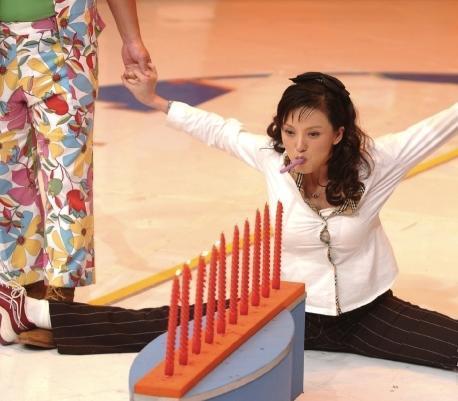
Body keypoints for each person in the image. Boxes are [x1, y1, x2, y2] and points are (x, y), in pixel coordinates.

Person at [1, 67, 457, 370]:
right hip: (288, 311)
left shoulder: (376, 163)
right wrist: (155, 100)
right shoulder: (273, 158)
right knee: (174, 323)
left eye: (313, 133)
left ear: (338, 135)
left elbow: (441, 126)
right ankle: (32, 311)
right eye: (290, 131)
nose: (298, 145)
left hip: (367, 314)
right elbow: (220, 131)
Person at [0, 0, 151, 300]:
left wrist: (132, 38)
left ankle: (61, 298)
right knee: (6, 176)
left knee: (68, 174)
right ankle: (21, 291)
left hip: (65, 43)